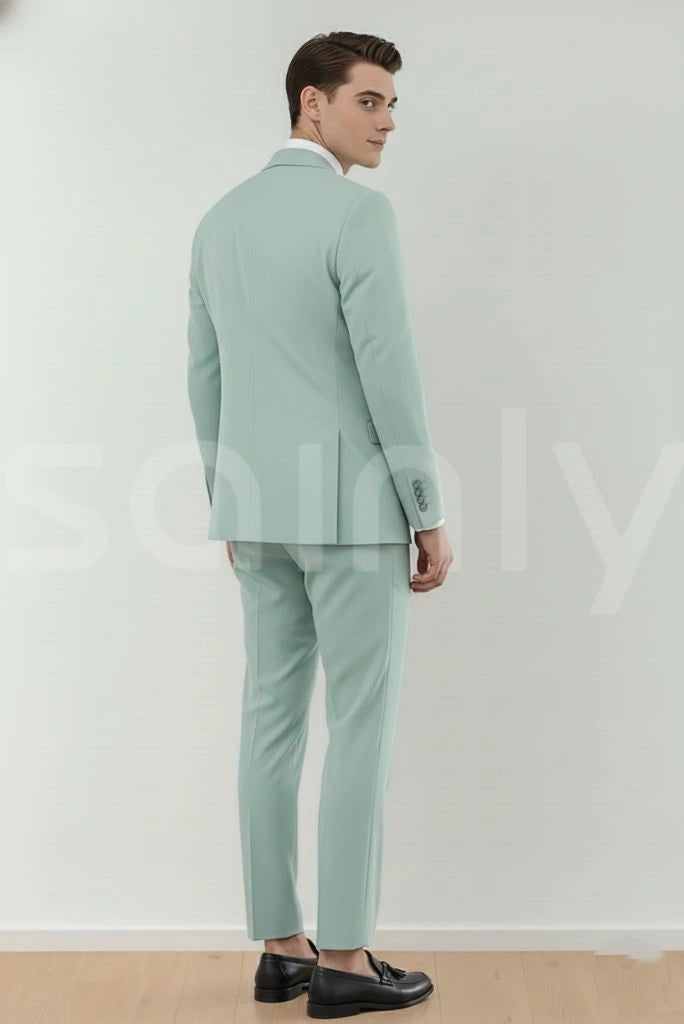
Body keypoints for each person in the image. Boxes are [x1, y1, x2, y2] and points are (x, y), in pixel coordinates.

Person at [186, 30, 453, 1018]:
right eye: (370, 101)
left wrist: (226, 494)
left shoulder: (219, 221)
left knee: (270, 720)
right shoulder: (357, 214)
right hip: (350, 509)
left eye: (392, 105)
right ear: (313, 102)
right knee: (360, 728)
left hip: (256, 510)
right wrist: (425, 508)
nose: (387, 122)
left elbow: (204, 374)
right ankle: (343, 957)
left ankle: (281, 948)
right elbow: (390, 370)